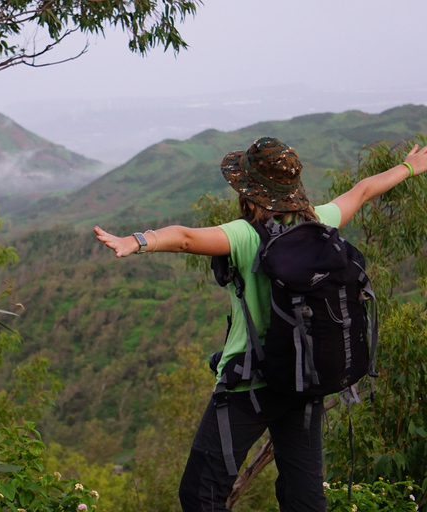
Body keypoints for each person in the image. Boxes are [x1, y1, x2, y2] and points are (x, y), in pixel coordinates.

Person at [94, 137, 427, 512]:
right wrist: (411, 166)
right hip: (305, 380)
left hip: (249, 385)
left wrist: (137, 241)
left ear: (249, 193)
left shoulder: (244, 235)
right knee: (305, 497)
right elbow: (363, 190)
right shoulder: (320, 221)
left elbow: (185, 238)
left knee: (201, 493)